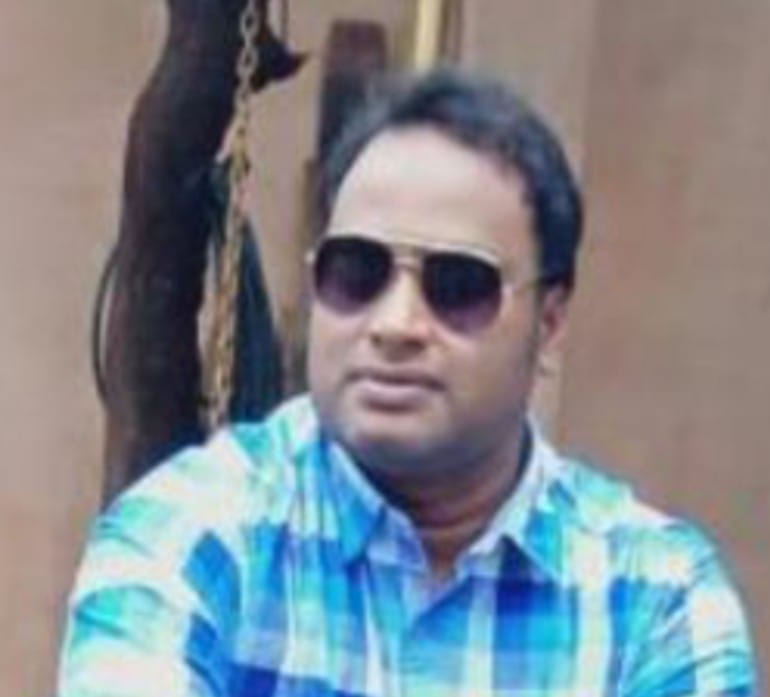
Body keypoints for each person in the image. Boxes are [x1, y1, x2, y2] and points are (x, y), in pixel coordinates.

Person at [57, 69, 757, 697]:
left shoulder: (653, 597)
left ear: (549, 324)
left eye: (458, 284)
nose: (395, 324)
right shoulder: (190, 536)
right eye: (357, 271)